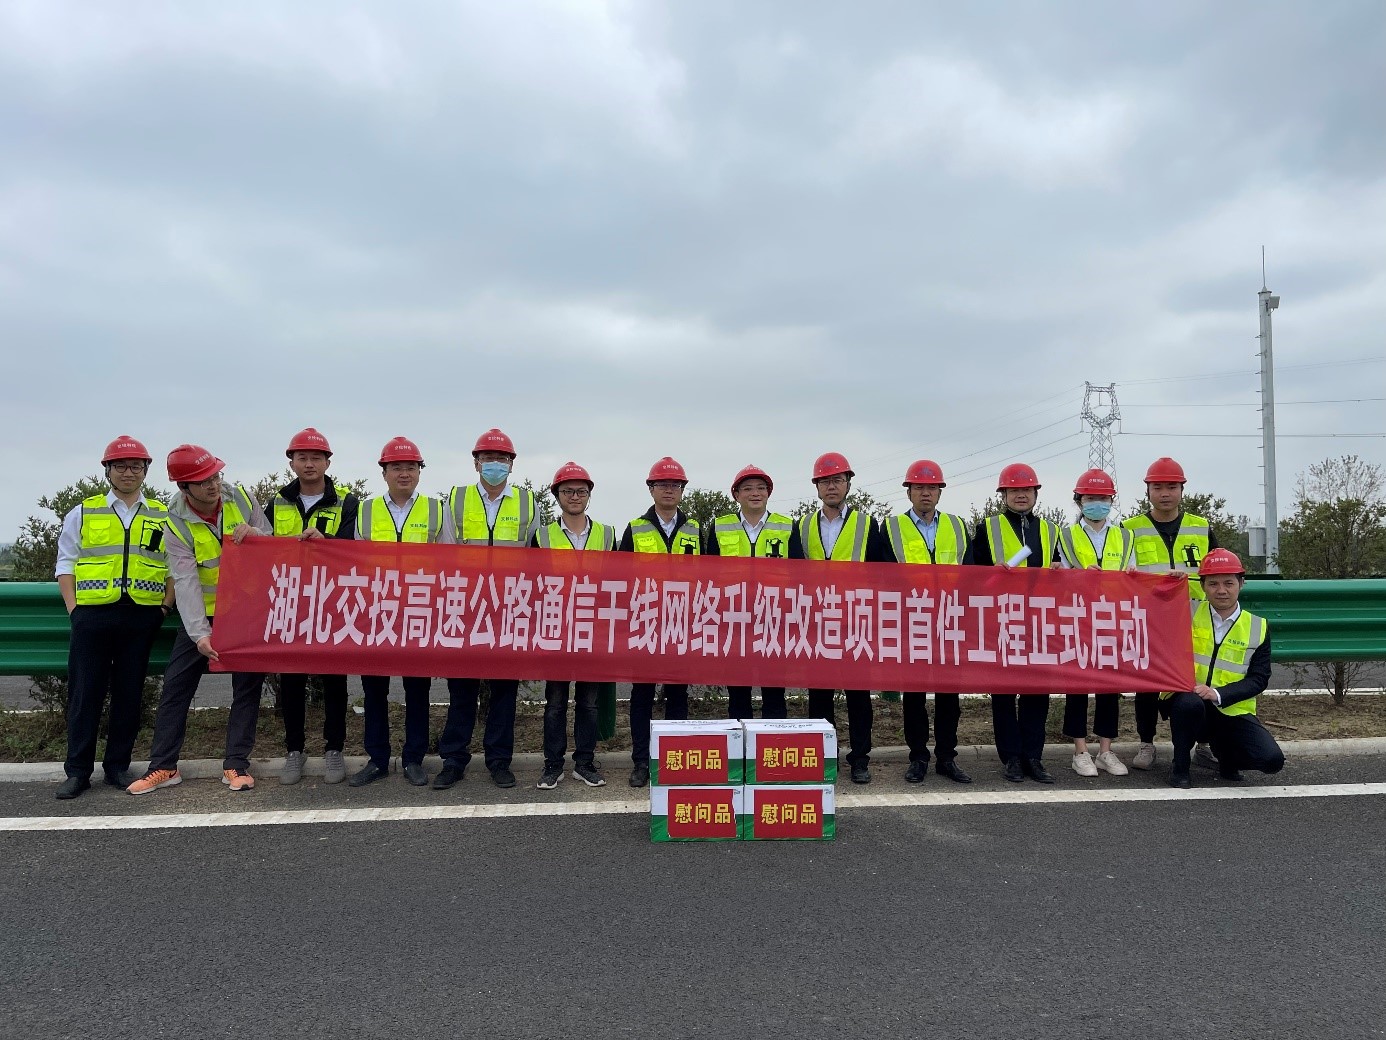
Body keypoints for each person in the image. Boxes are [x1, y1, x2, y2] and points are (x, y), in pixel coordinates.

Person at [127, 445, 271, 795]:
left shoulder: (241, 498)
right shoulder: (175, 521)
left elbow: (271, 542)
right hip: (203, 613)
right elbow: (185, 579)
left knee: (247, 689)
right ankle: (164, 767)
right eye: (203, 481)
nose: (213, 485)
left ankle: (236, 765)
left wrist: (256, 536)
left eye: (215, 476)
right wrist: (199, 634)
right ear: (184, 487)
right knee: (176, 687)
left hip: (245, 611)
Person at [53, 436, 173, 799]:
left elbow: (174, 567)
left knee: (129, 695)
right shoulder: (84, 512)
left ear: (146, 471)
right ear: (107, 470)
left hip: (141, 616)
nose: (128, 472)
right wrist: (75, 610)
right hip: (92, 616)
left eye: (136, 466)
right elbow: (65, 563)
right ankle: (77, 772)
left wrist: (164, 608)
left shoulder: (162, 515)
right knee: (84, 695)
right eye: (120, 466)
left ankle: (117, 766)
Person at [436, 428, 539, 790]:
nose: (495, 464)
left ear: (512, 464)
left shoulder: (527, 502)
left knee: (504, 691)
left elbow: (534, 556)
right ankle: (453, 760)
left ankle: (499, 760)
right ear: (476, 463)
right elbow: (447, 552)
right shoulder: (456, 498)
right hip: (466, 606)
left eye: (502, 459)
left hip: (508, 607)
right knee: (461, 689)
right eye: (488, 458)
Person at [349, 436, 449, 789]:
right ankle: (377, 759)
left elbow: (449, 561)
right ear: (384, 472)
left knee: (417, 689)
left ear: (419, 472)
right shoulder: (365, 510)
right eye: (396, 467)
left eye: (410, 467)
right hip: (376, 611)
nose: (404, 473)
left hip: (419, 610)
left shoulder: (437, 510)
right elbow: (354, 561)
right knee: (374, 690)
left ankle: (413, 758)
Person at [266, 427, 360, 786]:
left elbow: (355, 548)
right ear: (291, 462)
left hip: (333, 601)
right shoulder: (277, 503)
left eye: (316, 458)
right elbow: (263, 545)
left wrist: (327, 541)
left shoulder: (347, 502)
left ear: (327, 463)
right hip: (291, 601)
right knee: (292, 678)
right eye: (302, 457)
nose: (309, 464)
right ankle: (295, 750)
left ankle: (334, 749)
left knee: (334, 679)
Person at [1122, 457, 1220, 771]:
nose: (1165, 493)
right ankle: (1146, 743)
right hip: (1148, 620)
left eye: (1171, 487)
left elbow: (1215, 570)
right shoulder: (1130, 529)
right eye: (1158, 487)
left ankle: (1203, 743)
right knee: (1147, 684)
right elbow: (1120, 574)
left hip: (1195, 619)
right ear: (1148, 491)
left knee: (1200, 680)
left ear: (1182, 490)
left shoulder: (1201, 527)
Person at [881, 459, 974, 784]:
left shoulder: (957, 526)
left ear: (939, 492)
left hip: (950, 620)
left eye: (931, 487)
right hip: (912, 623)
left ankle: (947, 758)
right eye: (919, 487)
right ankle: (918, 757)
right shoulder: (891, 527)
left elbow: (971, 573)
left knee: (949, 696)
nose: (925, 493)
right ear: (908, 492)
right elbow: (883, 576)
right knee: (915, 697)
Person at [797, 452, 887, 784]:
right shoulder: (803, 526)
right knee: (819, 696)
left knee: (858, 695)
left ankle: (860, 759)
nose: (831, 486)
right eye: (825, 481)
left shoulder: (867, 524)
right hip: (817, 622)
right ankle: (824, 757)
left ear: (848, 484)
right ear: (817, 487)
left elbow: (881, 574)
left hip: (855, 621)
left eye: (837, 480)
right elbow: (793, 574)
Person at [1163, 549, 1282, 788]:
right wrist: (1168, 584)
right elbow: (1150, 609)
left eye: (1229, 583)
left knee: (1272, 760)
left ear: (1241, 584)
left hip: (1230, 707)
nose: (1221, 590)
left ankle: (1227, 757)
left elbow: (1259, 679)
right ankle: (1180, 767)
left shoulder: (1258, 626)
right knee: (1189, 705)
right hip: (1189, 701)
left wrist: (1217, 694)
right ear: (1203, 586)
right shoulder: (1187, 612)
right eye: (1213, 584)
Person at [971, 462, 1059, 784]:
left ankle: (1033, 757)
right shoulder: (987, 528)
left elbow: (1061, 568)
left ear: (1036, 493)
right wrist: (990, 573)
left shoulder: (1051, 530)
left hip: (1039, 621)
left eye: (1027, 490)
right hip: (1001, 620)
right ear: (1003, 494)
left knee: (1038, 692)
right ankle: (1010, 757)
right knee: (1004, 693)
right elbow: (972, 574)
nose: (1021, 495)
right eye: (1014, 490)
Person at [530, 462, 615, 790]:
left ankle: (584, 763)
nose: (575, 496)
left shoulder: (607, 534)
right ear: (557, 496)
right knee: (554, 703)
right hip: (556, 628)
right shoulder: (543, 536)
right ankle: (553, 765)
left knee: (589, 703)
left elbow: (618, 582)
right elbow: (534, 584)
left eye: (581, 491)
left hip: (593, 629)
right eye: (567, 491)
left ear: (589, 495)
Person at [621, 456, 702, 788]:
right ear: (651, 489)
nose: (669, 490)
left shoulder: (695, 530)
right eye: (662, 484)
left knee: (677, 694)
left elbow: (708, 577)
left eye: (675, 485)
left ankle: (674, 758)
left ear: (682, 490)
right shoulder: (635, 529)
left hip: (682, 624)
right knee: (642, 695)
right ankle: (642, 761)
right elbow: (621, 577)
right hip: (646, 624)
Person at [704, 464, 803, 721]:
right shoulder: (720, 527)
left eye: (761, 488)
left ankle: (773, 741)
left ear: (769, 493)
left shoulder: (786, 526)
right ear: (736, 495)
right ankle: (742, 741)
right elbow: (709, 575)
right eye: (747, 489)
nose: (755, 493)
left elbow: (799, 574)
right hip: (734, 621)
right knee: (738, 691)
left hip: (774, 620)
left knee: (774, 690)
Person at [1055, 468, 1135, 779]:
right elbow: (1057, 576)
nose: (1097, 503)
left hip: (1112, 618)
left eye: (1103, 498)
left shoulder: (1124, 536)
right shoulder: (1065, 535)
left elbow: (1133, 574)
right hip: (1077, 617)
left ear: (1111, 501)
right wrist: (1075, 575)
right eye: (1090, 498)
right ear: (1079, 501)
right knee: (1077, 685)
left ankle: (1105, 750)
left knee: (1108, 687)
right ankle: (1080, 751)